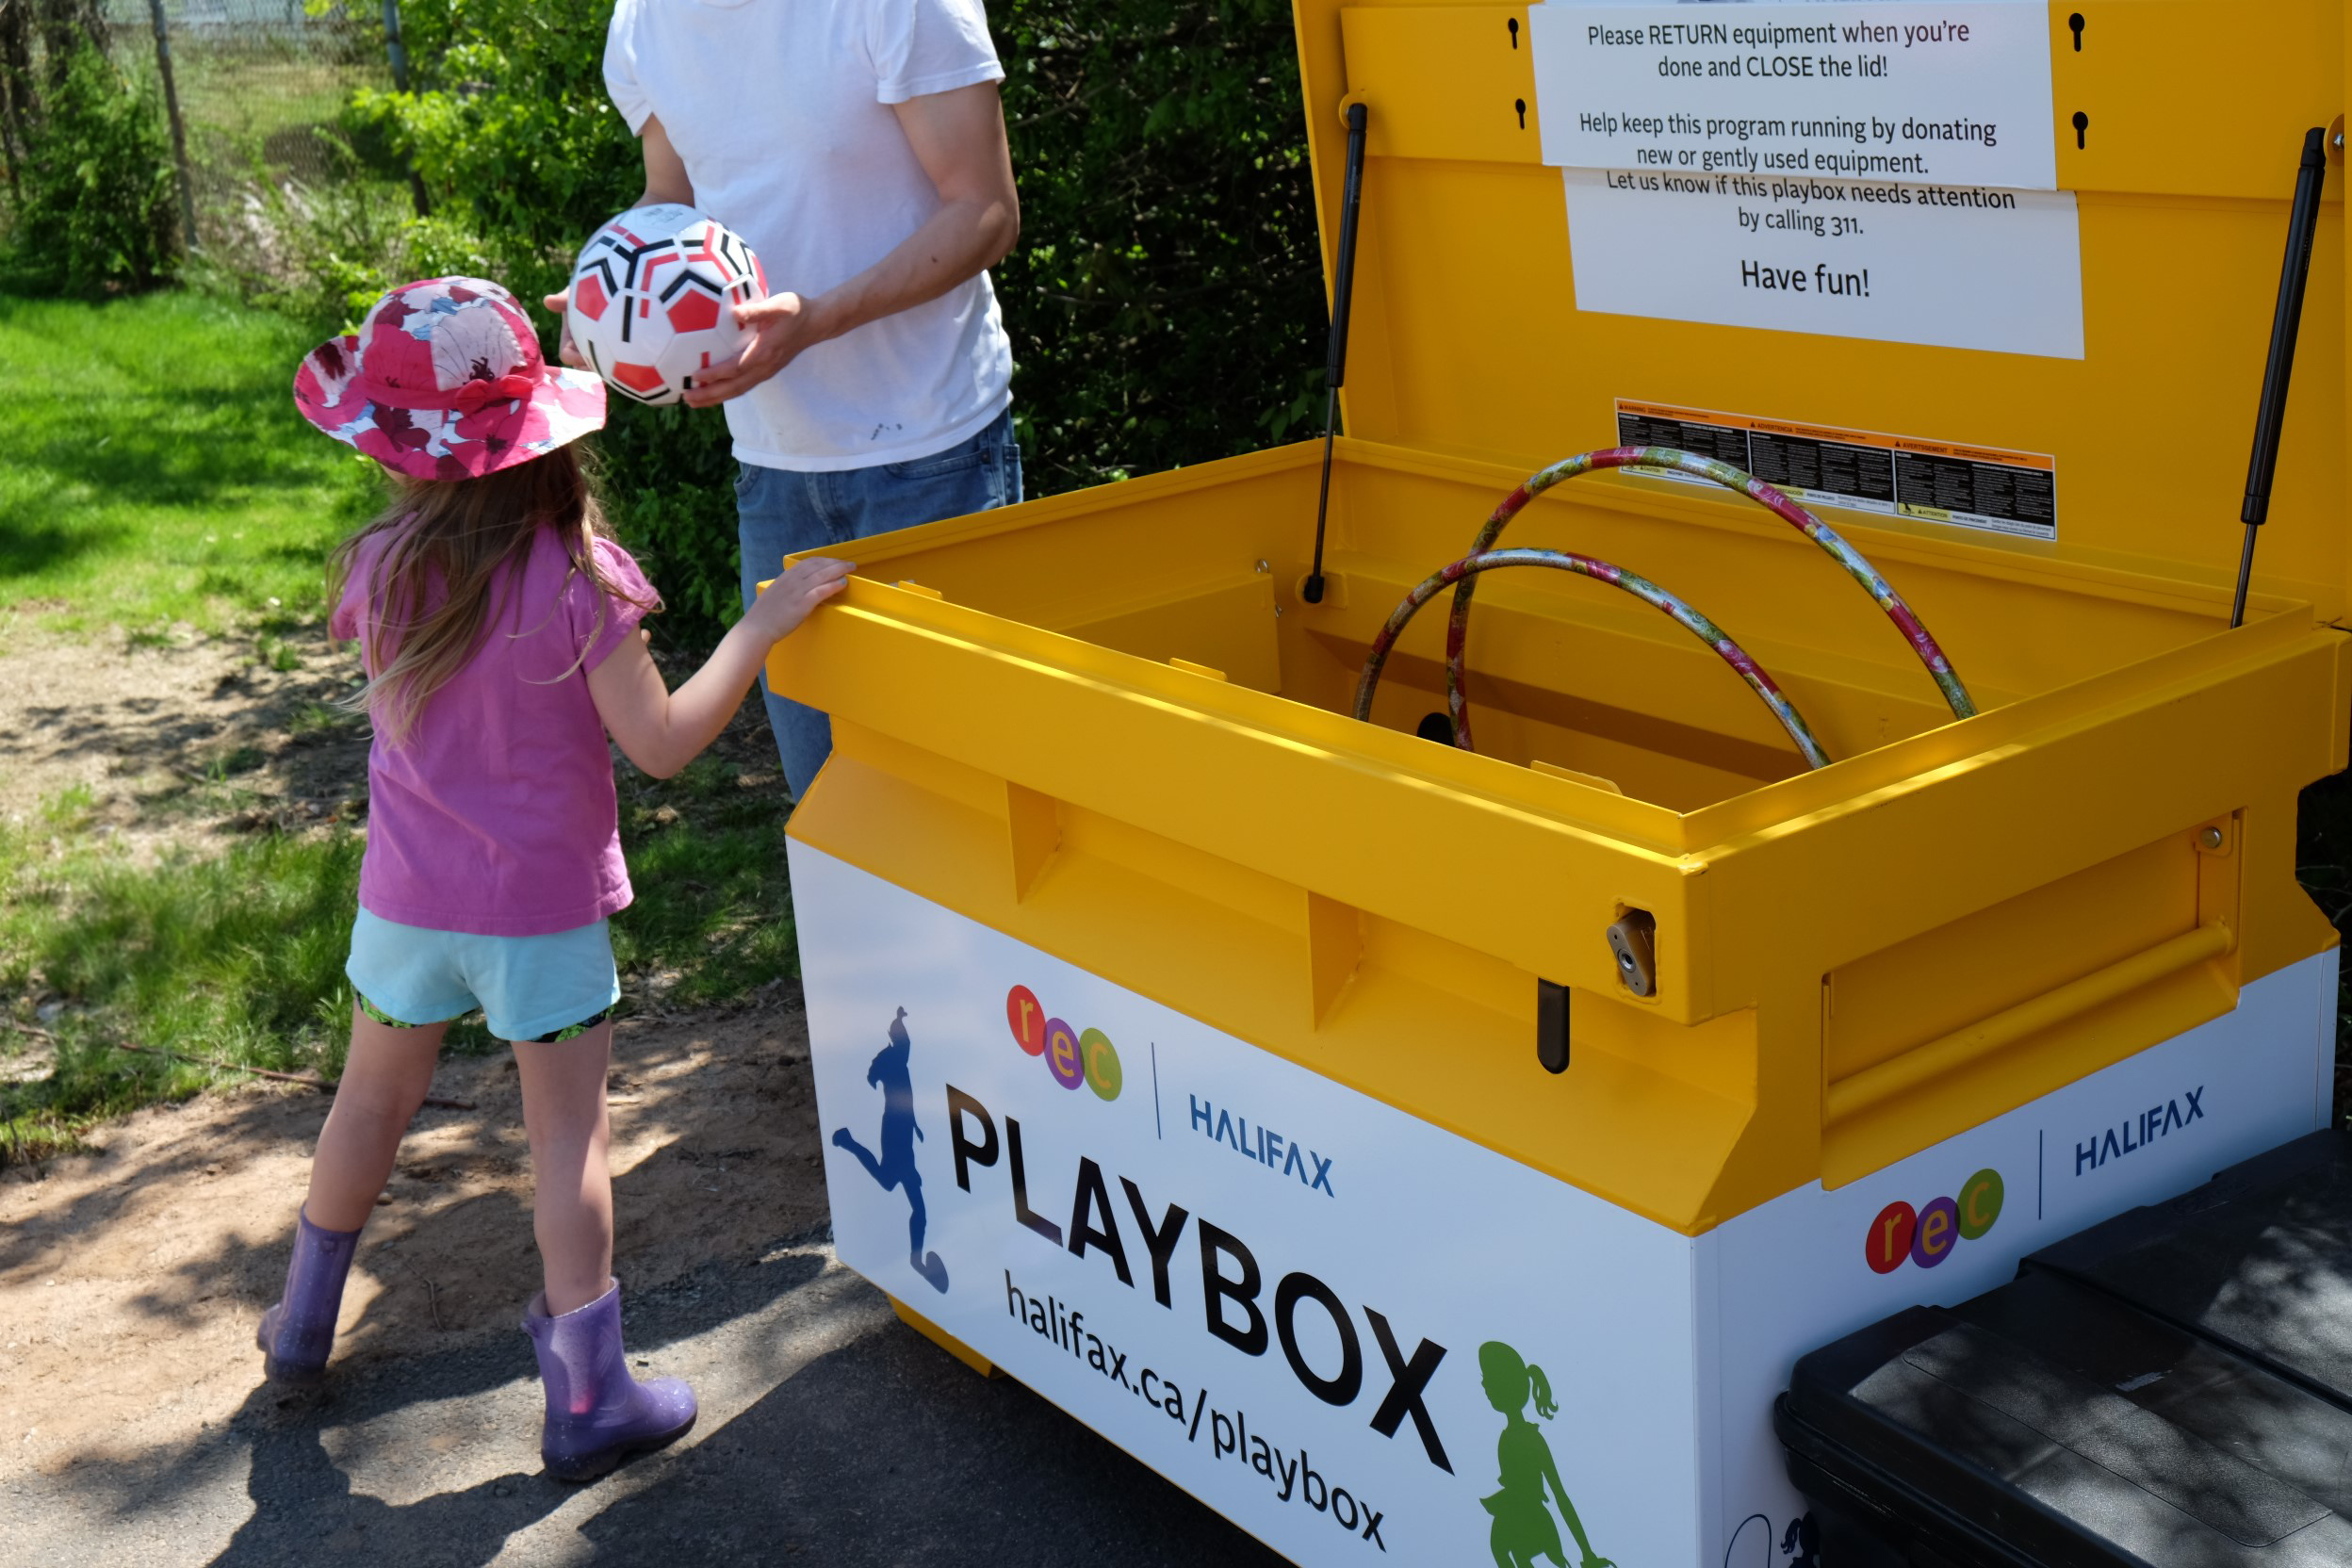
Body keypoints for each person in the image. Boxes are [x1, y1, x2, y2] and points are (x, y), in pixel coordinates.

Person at [255, 276, 855, 1482]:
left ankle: (303, 1323)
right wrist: (764, 623)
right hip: (545, 921)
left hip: (404, 910)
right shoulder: (580, 579)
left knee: (366, 1103)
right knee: (567, 1135)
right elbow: (669, 745)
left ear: (399, 447)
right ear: (543, 434)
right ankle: (587, 1398)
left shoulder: (375, 569)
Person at [549, 0, 1023, 801]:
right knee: (833, 815)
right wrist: (610, 301)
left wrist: (817, 322)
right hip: (773, 468)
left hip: (935, 456)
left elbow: (984, 212)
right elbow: (671, 198)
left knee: (958, 810)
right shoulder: (644, 22)